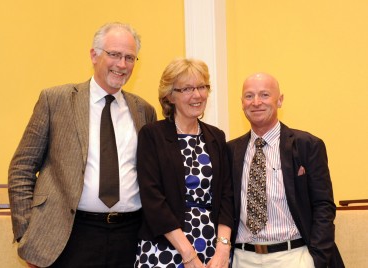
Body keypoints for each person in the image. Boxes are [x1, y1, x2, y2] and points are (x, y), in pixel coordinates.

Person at [8, 22, 157, 268]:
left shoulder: (144, 110)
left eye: (130, 57)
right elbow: (21, 168)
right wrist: (27, 234)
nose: (122, 64)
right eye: (114, 54)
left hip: (130, 238)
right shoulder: (55, 100)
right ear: (94, 55)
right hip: (69, 236)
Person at [227, 72, 344, 268]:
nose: (256, 102)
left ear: (280, 100)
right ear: (242, 103)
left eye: (264, 95)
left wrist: (315, 259)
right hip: (243, 257)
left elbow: (324, 206)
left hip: (293, 257)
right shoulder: (230, 151)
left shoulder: (307, 145)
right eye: (249, 96)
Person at [134, 58, 234, 268]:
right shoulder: (152, 135)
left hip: (212, 249)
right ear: (170, 95)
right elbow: (153, 199)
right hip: (166, 247)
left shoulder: (216, 137)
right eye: (187, 89)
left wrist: (223, 248)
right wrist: (188, 254)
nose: (197, 95)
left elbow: (227, 195)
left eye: (202, 87)